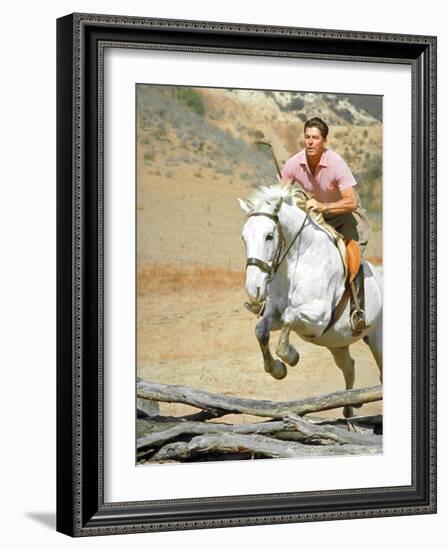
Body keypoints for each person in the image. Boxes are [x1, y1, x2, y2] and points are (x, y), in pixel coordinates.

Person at [281, 117, 370, 334]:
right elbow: (281, 194)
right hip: (315, 215)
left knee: (351, 254)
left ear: (324, 141)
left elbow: (352, 201)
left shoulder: (337, 163)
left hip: (344, 215)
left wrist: (323, 206)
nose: (310, 142)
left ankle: (358, 310)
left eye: (315, 138)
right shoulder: (293, 163)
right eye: (307, 137)